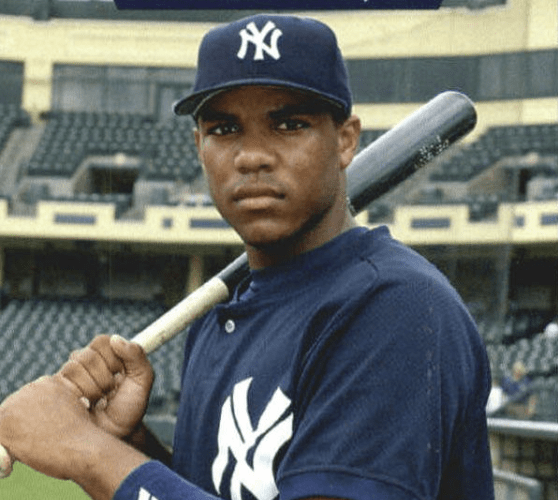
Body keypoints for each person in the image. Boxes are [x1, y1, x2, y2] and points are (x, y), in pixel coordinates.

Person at [0, 13, 494, 500]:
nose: (252, 155)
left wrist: (88, 452)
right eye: (224, 129)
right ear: (199, 146)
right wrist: (131, 448)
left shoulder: (393, 307)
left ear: (345, 140)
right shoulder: (218, 319)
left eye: (289, 124)